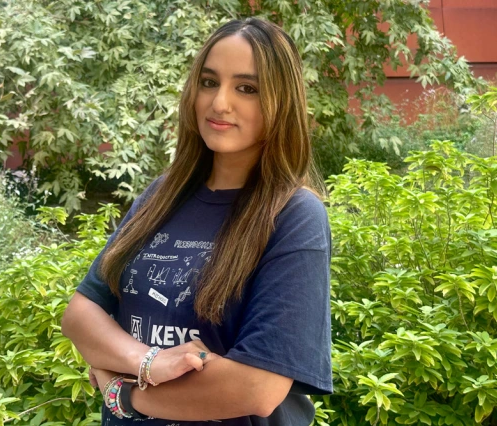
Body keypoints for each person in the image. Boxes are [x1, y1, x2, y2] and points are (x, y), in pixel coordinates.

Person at [61, 17, 332, 426]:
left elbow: (256, 387)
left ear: (282, 101)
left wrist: (125, 394)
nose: (219, 103)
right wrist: (149, 362)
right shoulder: (162, 195)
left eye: (247, 88)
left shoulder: (294, 216)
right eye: (209, 82)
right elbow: (81, 315)